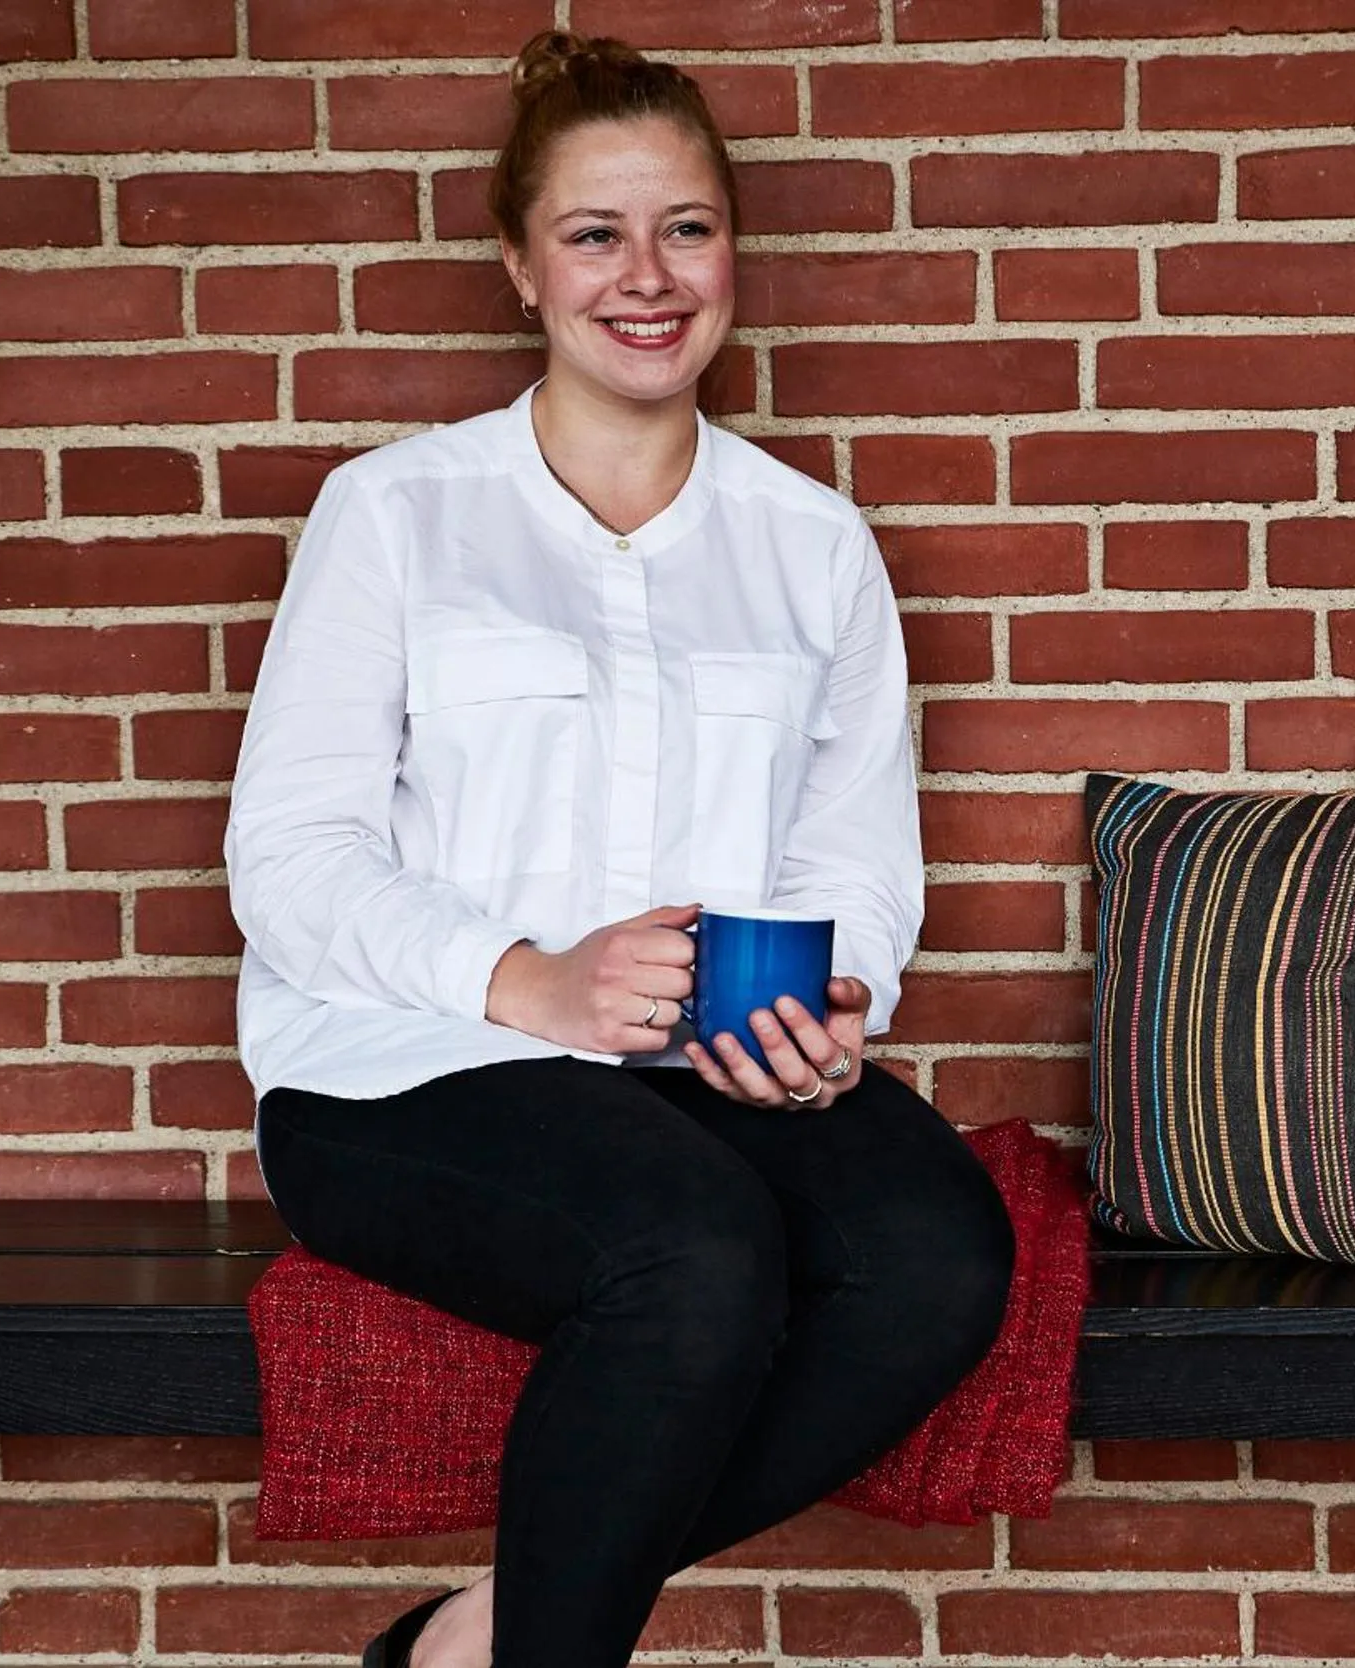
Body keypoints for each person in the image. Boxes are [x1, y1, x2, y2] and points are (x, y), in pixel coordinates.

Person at [224, 31, 1015, 1667]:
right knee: (697, 1252)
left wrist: (832, 1004)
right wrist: (529, 980)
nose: (647, 279)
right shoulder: (398, 516)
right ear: (520, 264)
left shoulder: (814, 546)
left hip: (708, 1072)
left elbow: (858, 850)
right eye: (595, 234)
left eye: (687, 229)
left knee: (938, 1254)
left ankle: (492, 1633)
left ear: (734, 249)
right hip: (402, 1067)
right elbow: (288, 857)